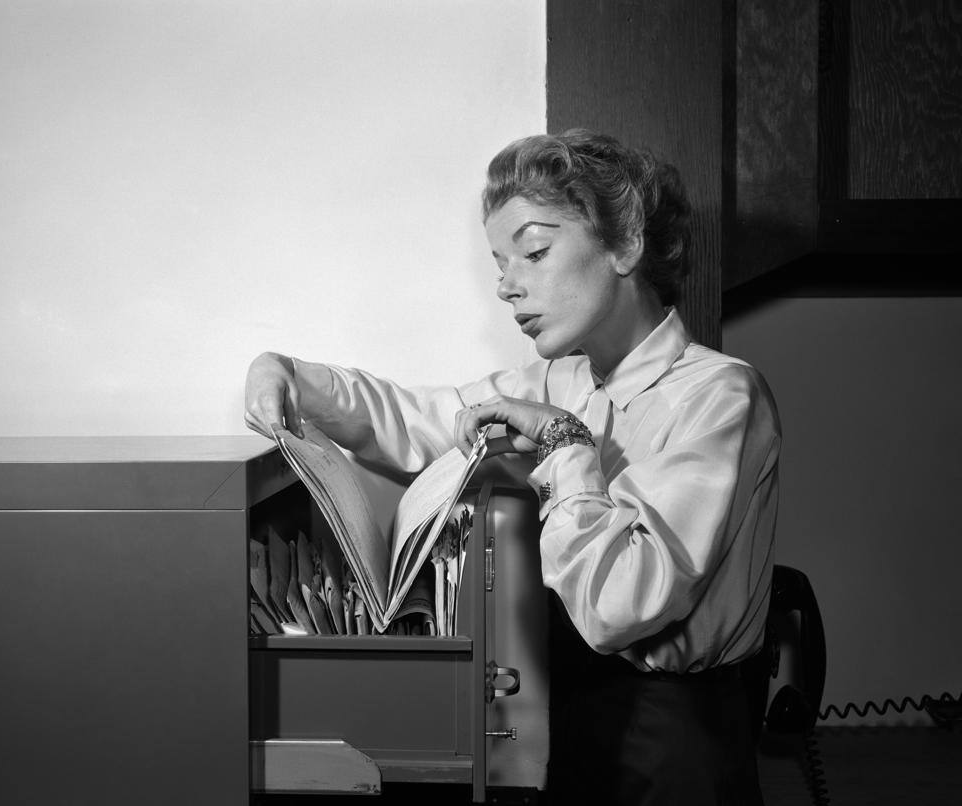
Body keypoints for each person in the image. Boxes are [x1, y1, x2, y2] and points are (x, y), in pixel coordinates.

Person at [244, 129, 778, 805]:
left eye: (534, 251)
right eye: (500, 261)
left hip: (679, 743)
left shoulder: (721, 394)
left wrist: (562, 443)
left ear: (626, 245)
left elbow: (621, 605)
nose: (506, 285)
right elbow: (415, 418)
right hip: (571, 723)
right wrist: (289, 374)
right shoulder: (560, 378)